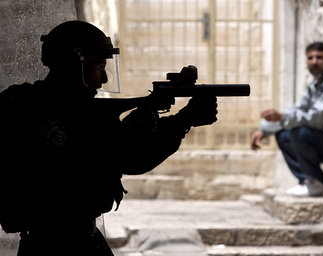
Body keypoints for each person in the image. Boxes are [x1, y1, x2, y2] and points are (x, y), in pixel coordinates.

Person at [0, 20, 217, 256]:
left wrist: (180, 121)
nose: (103, 78)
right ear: (77, 65)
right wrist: (177, 121)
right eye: (99, 66)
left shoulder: (61, 110)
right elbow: (115, 158)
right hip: (53, 245)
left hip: (81, 239)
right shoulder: (25, 108)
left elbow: (124, 152)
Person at [250, 41, 323, 197]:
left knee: (300, 133)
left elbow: (317, 118)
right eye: (310, 58)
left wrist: (282, 117)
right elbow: (298, 109)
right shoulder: (316, 82)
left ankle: (320, 182)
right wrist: (265, 129)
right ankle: (307, 181)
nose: (314, 62)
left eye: (319, 57)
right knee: (283, 135)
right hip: (322, 140)